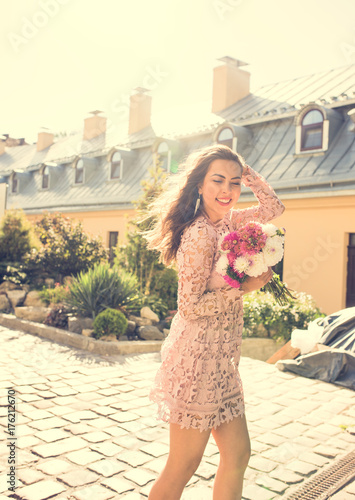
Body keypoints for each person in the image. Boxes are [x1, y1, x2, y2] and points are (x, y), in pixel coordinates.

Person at [145, 144, 285, 500]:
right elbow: (189, 306)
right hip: (198, 362)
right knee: (183, 466)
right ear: (199, 186)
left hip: (223, 363)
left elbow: (274, 208)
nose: (227, 190)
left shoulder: (228, 221)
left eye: (234, 183)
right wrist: (245, 287)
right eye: (218, 180)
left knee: (237, 455)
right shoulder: (199, 234)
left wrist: (246, 171)